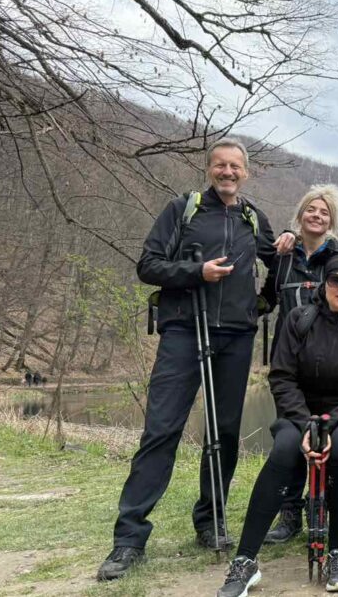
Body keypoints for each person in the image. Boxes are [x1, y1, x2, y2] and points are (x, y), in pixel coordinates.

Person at [98, 138, 276, 581]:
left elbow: (282, 262)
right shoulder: (184, 209)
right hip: (183, 330)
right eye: (221, 165)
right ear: (209, 168)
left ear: (246, 173)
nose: (228, 172)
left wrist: (266, 300)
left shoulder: (254, 218)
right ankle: (128, 539)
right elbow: (148, 265)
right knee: (161, 430)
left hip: (236, 336)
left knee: (226, 432)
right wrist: (197, 273)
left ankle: (211, 522)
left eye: (235, 166)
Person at [216, 255, 338, 596]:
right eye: (336, 280)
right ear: (324, 284)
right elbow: (282, 376)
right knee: (283, 450)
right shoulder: (300, 319)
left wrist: (330, 422)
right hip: (301, 411)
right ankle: (245, 561)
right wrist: (305, 421)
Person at [259, 184, 338, 544]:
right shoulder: (282, 255)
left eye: (324, 212)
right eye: (311, 209)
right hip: (287, 362)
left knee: (326, 436)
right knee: (292, 436)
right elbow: (266, 299)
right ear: (299, 215)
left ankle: (320, 510)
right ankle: (289, 514)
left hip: (329, 362)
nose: (317, 215)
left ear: (332, 221)